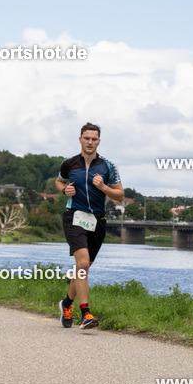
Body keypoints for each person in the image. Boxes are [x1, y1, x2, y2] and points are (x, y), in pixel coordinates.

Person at [55, 122, 123, 329]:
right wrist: (64, 190)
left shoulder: (108, 166)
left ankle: (66, 304)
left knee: (82, 268)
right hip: (74, 217)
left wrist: (103, 187)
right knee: (83, 264)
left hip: (98, 221)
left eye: (94, 139)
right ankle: (86, 314)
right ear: (80, 140)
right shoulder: (69, 164)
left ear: (99, 142)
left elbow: (120, 195)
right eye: (87, 138)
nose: (90, 142)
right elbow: (59, 181)